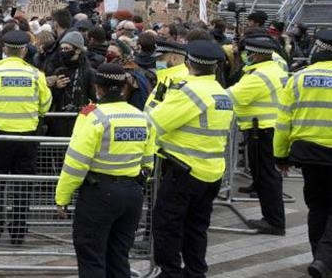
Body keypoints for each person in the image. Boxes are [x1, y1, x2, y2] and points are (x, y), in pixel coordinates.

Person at [55, 63, 153, 278]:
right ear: (124, 87)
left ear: (98, 88)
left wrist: (62, 198)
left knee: (91, 256)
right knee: (119, 256)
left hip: (99, 195)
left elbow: (76, 163)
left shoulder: (93, 116)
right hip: (132, 194)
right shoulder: (141, 117)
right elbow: (148, 161)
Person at [149, 40, 234, 278]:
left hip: (184, 171)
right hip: (212, 171)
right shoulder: (221, 92)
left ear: (188, 63)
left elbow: (155, 123)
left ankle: (170, 273)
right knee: (196, 226)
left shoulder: (188, 91)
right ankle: (195, 271)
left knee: (167, 224)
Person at [0, 30, 52, 244]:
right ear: (24, 51)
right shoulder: (36, 74)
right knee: (23, 186)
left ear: (4, 49)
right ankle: (18, 232)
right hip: (27, 138)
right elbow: (45, 105)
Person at [275, 30, 332, 278]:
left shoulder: (299, 78)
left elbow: (283, 121)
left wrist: (280, 156)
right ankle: (324, 259)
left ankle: (318, 256)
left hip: (307, 153)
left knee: (317, 207)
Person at [228, 36, 287, 235]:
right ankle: (272, 218)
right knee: (268, 175)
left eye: (249, 53)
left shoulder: (259, 76)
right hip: (269, 129)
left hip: (261, 131)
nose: (247, 56)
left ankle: (274, 221)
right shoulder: (275, 70)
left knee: (266, 177)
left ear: (257, 54)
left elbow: (233, 97)